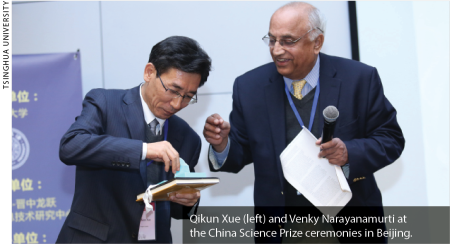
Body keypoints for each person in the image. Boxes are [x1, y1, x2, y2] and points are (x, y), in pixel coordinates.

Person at [203, 2, 404, 243]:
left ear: (317, 42)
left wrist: (348, 152)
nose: (277, 50)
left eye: (288, 41)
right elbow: (240, 153)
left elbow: (390, 139)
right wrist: (222, 144)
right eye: (272, 40)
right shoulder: (249, 87)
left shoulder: (359, 79)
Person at [57, 36, 211, 243]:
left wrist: (189, 202)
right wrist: (144, 150)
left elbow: (176, 211)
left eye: (187, 97)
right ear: (149, 72)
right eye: (173, 90)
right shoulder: (105, 104)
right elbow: (70, 146)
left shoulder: (188, 138)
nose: (177, 104)